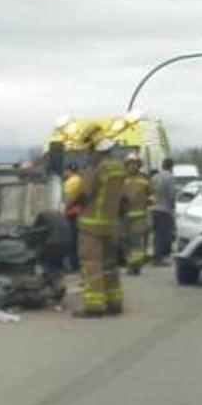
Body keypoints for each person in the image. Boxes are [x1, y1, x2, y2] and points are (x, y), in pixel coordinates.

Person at [74, 125, 126, 317]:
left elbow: (83, 193)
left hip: (91, 226)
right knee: (109, 265)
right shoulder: (119, 166)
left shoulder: (96, 168)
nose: (87, 154)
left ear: (95, 148)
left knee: (91, 264)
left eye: (88, 150)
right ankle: (114, 302)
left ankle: (94, 305)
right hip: (112, 225)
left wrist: (67, 204)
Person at [121, 153, 152, 275]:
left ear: (139, 165)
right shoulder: (121, 179)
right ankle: (130, 263)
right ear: (126, 165)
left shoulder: (144, 179)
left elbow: (152, 193)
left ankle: (136, 265)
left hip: (139, 216)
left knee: (137, 241)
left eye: (135, 164)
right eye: (130, 164)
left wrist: (150, 200)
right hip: (123, 216)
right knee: (124, 241)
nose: (132, 166)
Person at [151, 158, 176, 266]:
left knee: (156, 234)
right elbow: (171, 195)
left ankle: (156, 255)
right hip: (164, 209)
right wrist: (172, 208)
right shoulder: (170, 177)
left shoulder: (155, 177)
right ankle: (159, 257)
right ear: (171, 167)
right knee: (163, 234)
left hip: (154, 209)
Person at [63, 163, 83, 272]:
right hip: (79, 213)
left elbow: (68, 198)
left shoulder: (70, 182)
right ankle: (77, 265)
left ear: (69, 171)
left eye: (65, 170)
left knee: (70, 241)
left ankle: (72, 266)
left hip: (71, 214)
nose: (64, 173)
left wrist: (63, 209)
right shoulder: (80, 180)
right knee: (77, 241)